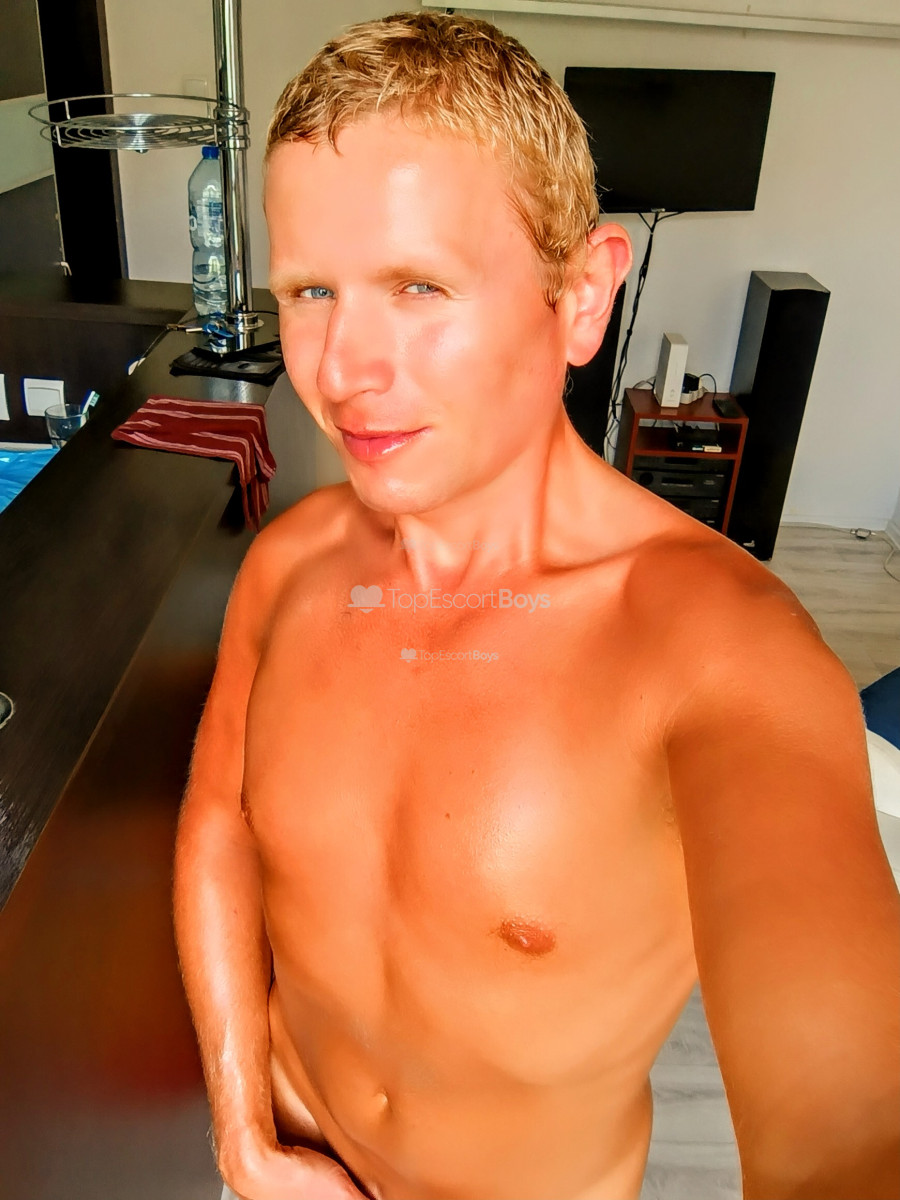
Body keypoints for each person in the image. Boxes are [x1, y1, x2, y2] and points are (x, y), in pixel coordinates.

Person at [174, 12, 900, 1200]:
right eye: (309, 290)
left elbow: (849, 1125)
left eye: (418, 285)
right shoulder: (288, 565)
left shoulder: (722, 655)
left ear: (582, 294)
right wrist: (241, 1132)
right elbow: (217, 822)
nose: (342, 368)